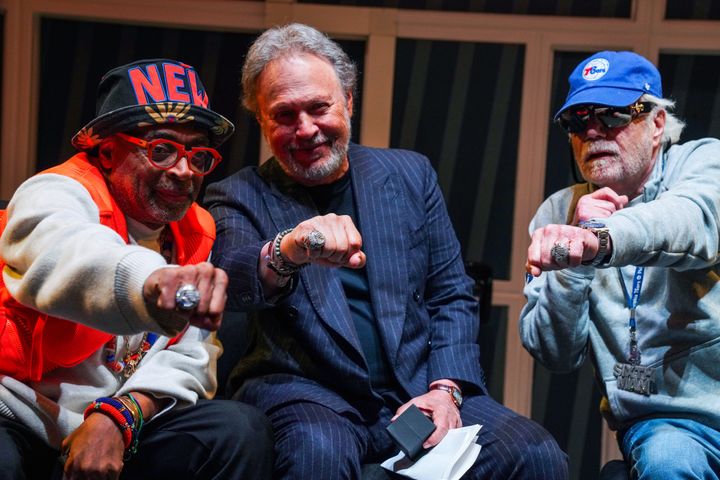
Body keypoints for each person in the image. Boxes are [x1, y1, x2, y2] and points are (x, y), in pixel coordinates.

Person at [205, 23, 567, 480]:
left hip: (418, 390)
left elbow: (451, 295)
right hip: (307, 393)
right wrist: (289, 249)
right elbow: (233, 279)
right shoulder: (236, 194)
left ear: (349, 100)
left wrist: (446, 390)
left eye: (319, 107)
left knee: (533, 453)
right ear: (261, 119)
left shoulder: (410, 175)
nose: (306, 129)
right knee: (318, 455)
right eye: (283, 115)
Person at [0, 59, 273, 479]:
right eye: (161, 150)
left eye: (198, 155)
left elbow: (192, 355)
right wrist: (152, 281)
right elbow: (67, 251)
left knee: (239, 430)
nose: (184, 172)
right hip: (23, 414)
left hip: (119, 420)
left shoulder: (197, 229)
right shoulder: (54, 192)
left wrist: (119, 418)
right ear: (108, 152)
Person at [520, 50, 720, 479]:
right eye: (576, 121)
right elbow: (553, 352)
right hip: (668, 425)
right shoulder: (559, 213)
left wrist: (598, 240)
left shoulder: (700, 163)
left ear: (657, 124)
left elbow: (688, 221)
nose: (592, 131)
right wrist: (574, 262)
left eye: (612, 116)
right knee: (669, 461)